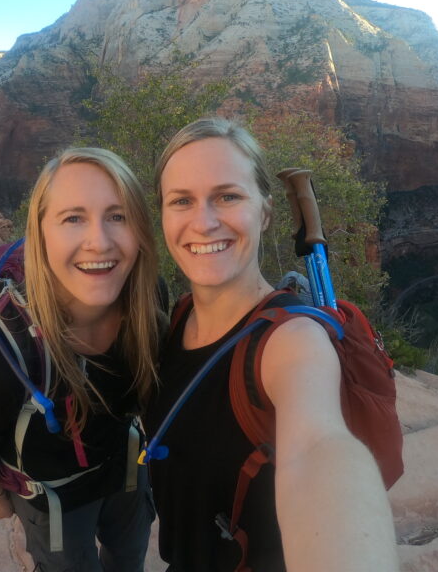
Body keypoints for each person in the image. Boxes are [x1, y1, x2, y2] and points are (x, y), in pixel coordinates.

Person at [144, 117, 399, 572]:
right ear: (162, 215)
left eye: (227, 196)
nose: (203, 222)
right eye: (181, 200)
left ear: (264, 211)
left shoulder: (292, 343)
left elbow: (320, 451)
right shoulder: (177, 316)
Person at [0, 147, 161, 572]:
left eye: (118, 216)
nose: (99, 241)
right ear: (40, 234)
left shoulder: (149, 302)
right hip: (51, 497)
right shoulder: (2, 350)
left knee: (129, 557)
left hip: (123, 466)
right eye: (72, 218)